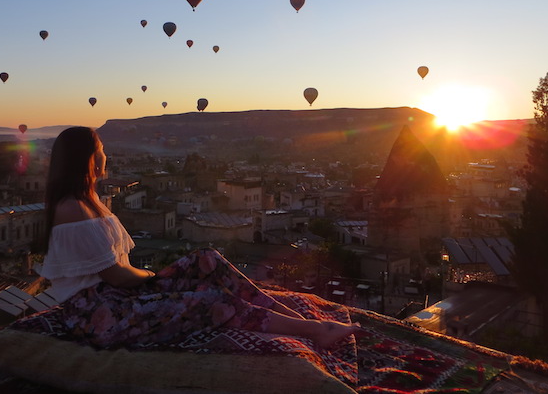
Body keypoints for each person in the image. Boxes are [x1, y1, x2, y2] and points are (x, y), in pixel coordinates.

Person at [40, 126, 362, 350]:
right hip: (97, 312)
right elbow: (115, 274)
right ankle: (317, 330)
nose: (106, 155)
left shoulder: (90, 200)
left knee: (206, 258)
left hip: (116, 294)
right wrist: (156, 278)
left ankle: (294, 319)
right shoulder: (72, 208)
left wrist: (166, 277)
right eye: (102, 150)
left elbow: (118, 273)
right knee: (211, 299)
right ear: (89, 159)